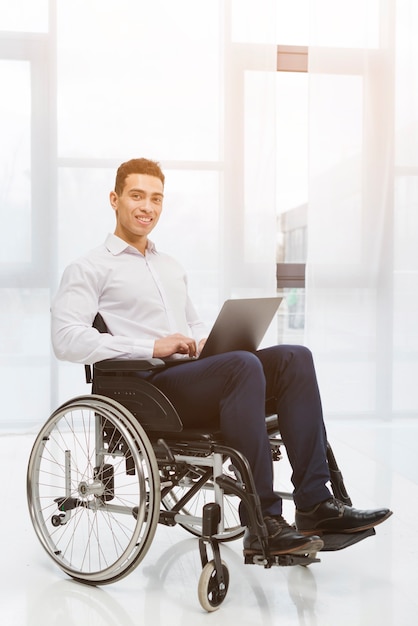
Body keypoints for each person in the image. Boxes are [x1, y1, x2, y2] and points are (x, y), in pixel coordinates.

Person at [51, 158, 392, 556]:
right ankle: (263, 521)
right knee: (242, 366)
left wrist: (208, 341)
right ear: (115, 199)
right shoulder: (89, 267)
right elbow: (66, 340)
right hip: (148, 390)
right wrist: (153, 346)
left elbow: (193, 325)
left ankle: (315, 504)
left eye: (156, 198)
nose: (148, 207)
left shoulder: (169, 266)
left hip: (192, 378)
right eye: (137, 196)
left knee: (294, 357)